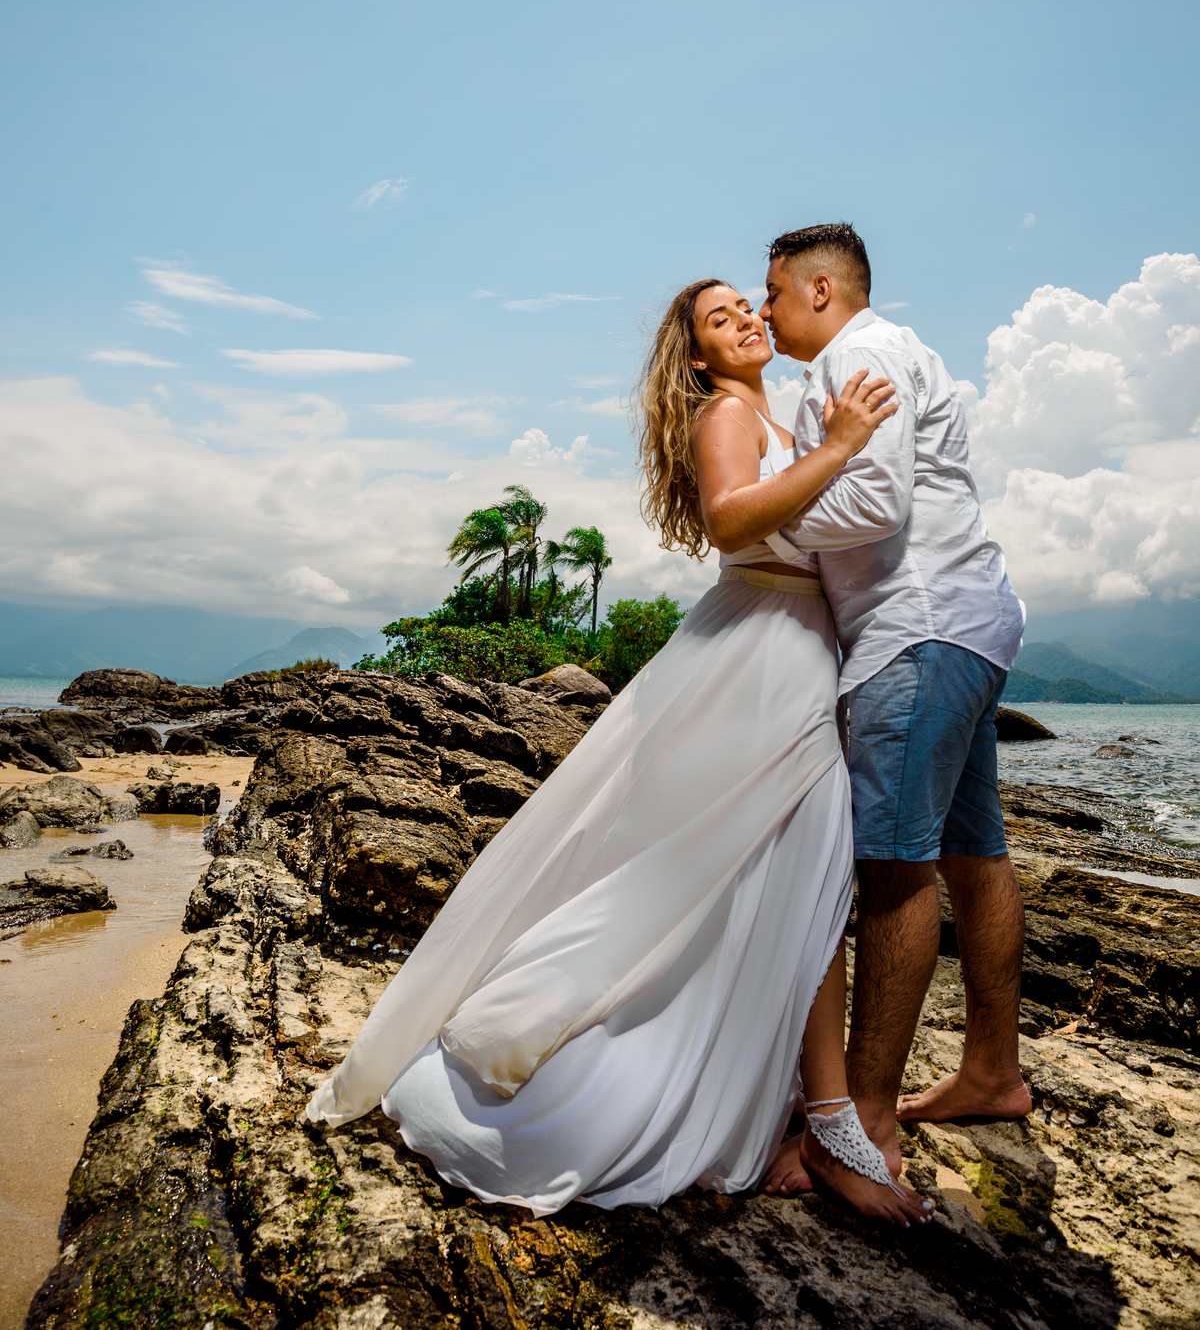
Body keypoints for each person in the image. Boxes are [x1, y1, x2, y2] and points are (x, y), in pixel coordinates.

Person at [307, 278, 931, 1226]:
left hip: (789, 651)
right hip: (762, 659)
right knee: (762, 870)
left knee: (787, 879)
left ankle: (796, 1101)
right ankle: (818, 1113)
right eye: (722, 321)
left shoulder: (778, 408)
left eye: (749, 309)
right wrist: (842, 447)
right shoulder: (728, 414)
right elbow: (730, 519)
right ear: (701, 358)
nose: (748, 322)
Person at [756, 224, 1030, 1197]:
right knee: (972, 847)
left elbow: (870, 504)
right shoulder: (896, 348)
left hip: (913, 633)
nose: (763, 309)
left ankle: (862, 1118)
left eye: (775, 291)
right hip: (969, 624)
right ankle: (993, 1071)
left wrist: (765, 513)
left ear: (822, 290)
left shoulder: (856, 357)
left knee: (892, 863)